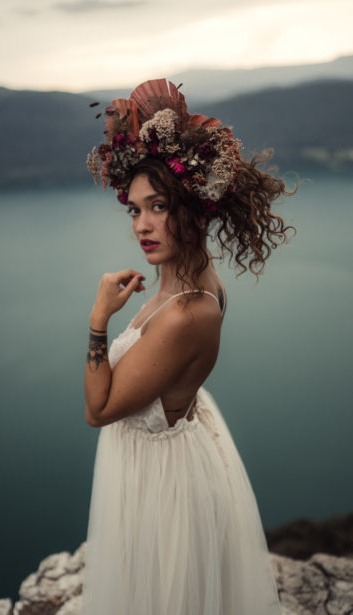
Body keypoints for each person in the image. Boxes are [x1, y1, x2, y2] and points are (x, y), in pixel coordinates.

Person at [82, 79, 296, 615]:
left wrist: (99, 321)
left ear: (196, 207)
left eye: (158, 206)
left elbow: (99, 409)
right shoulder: (187, 280)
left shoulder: (184, 314)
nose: (143, 225)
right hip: (166, 465)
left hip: (161, 490)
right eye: (134, 209)